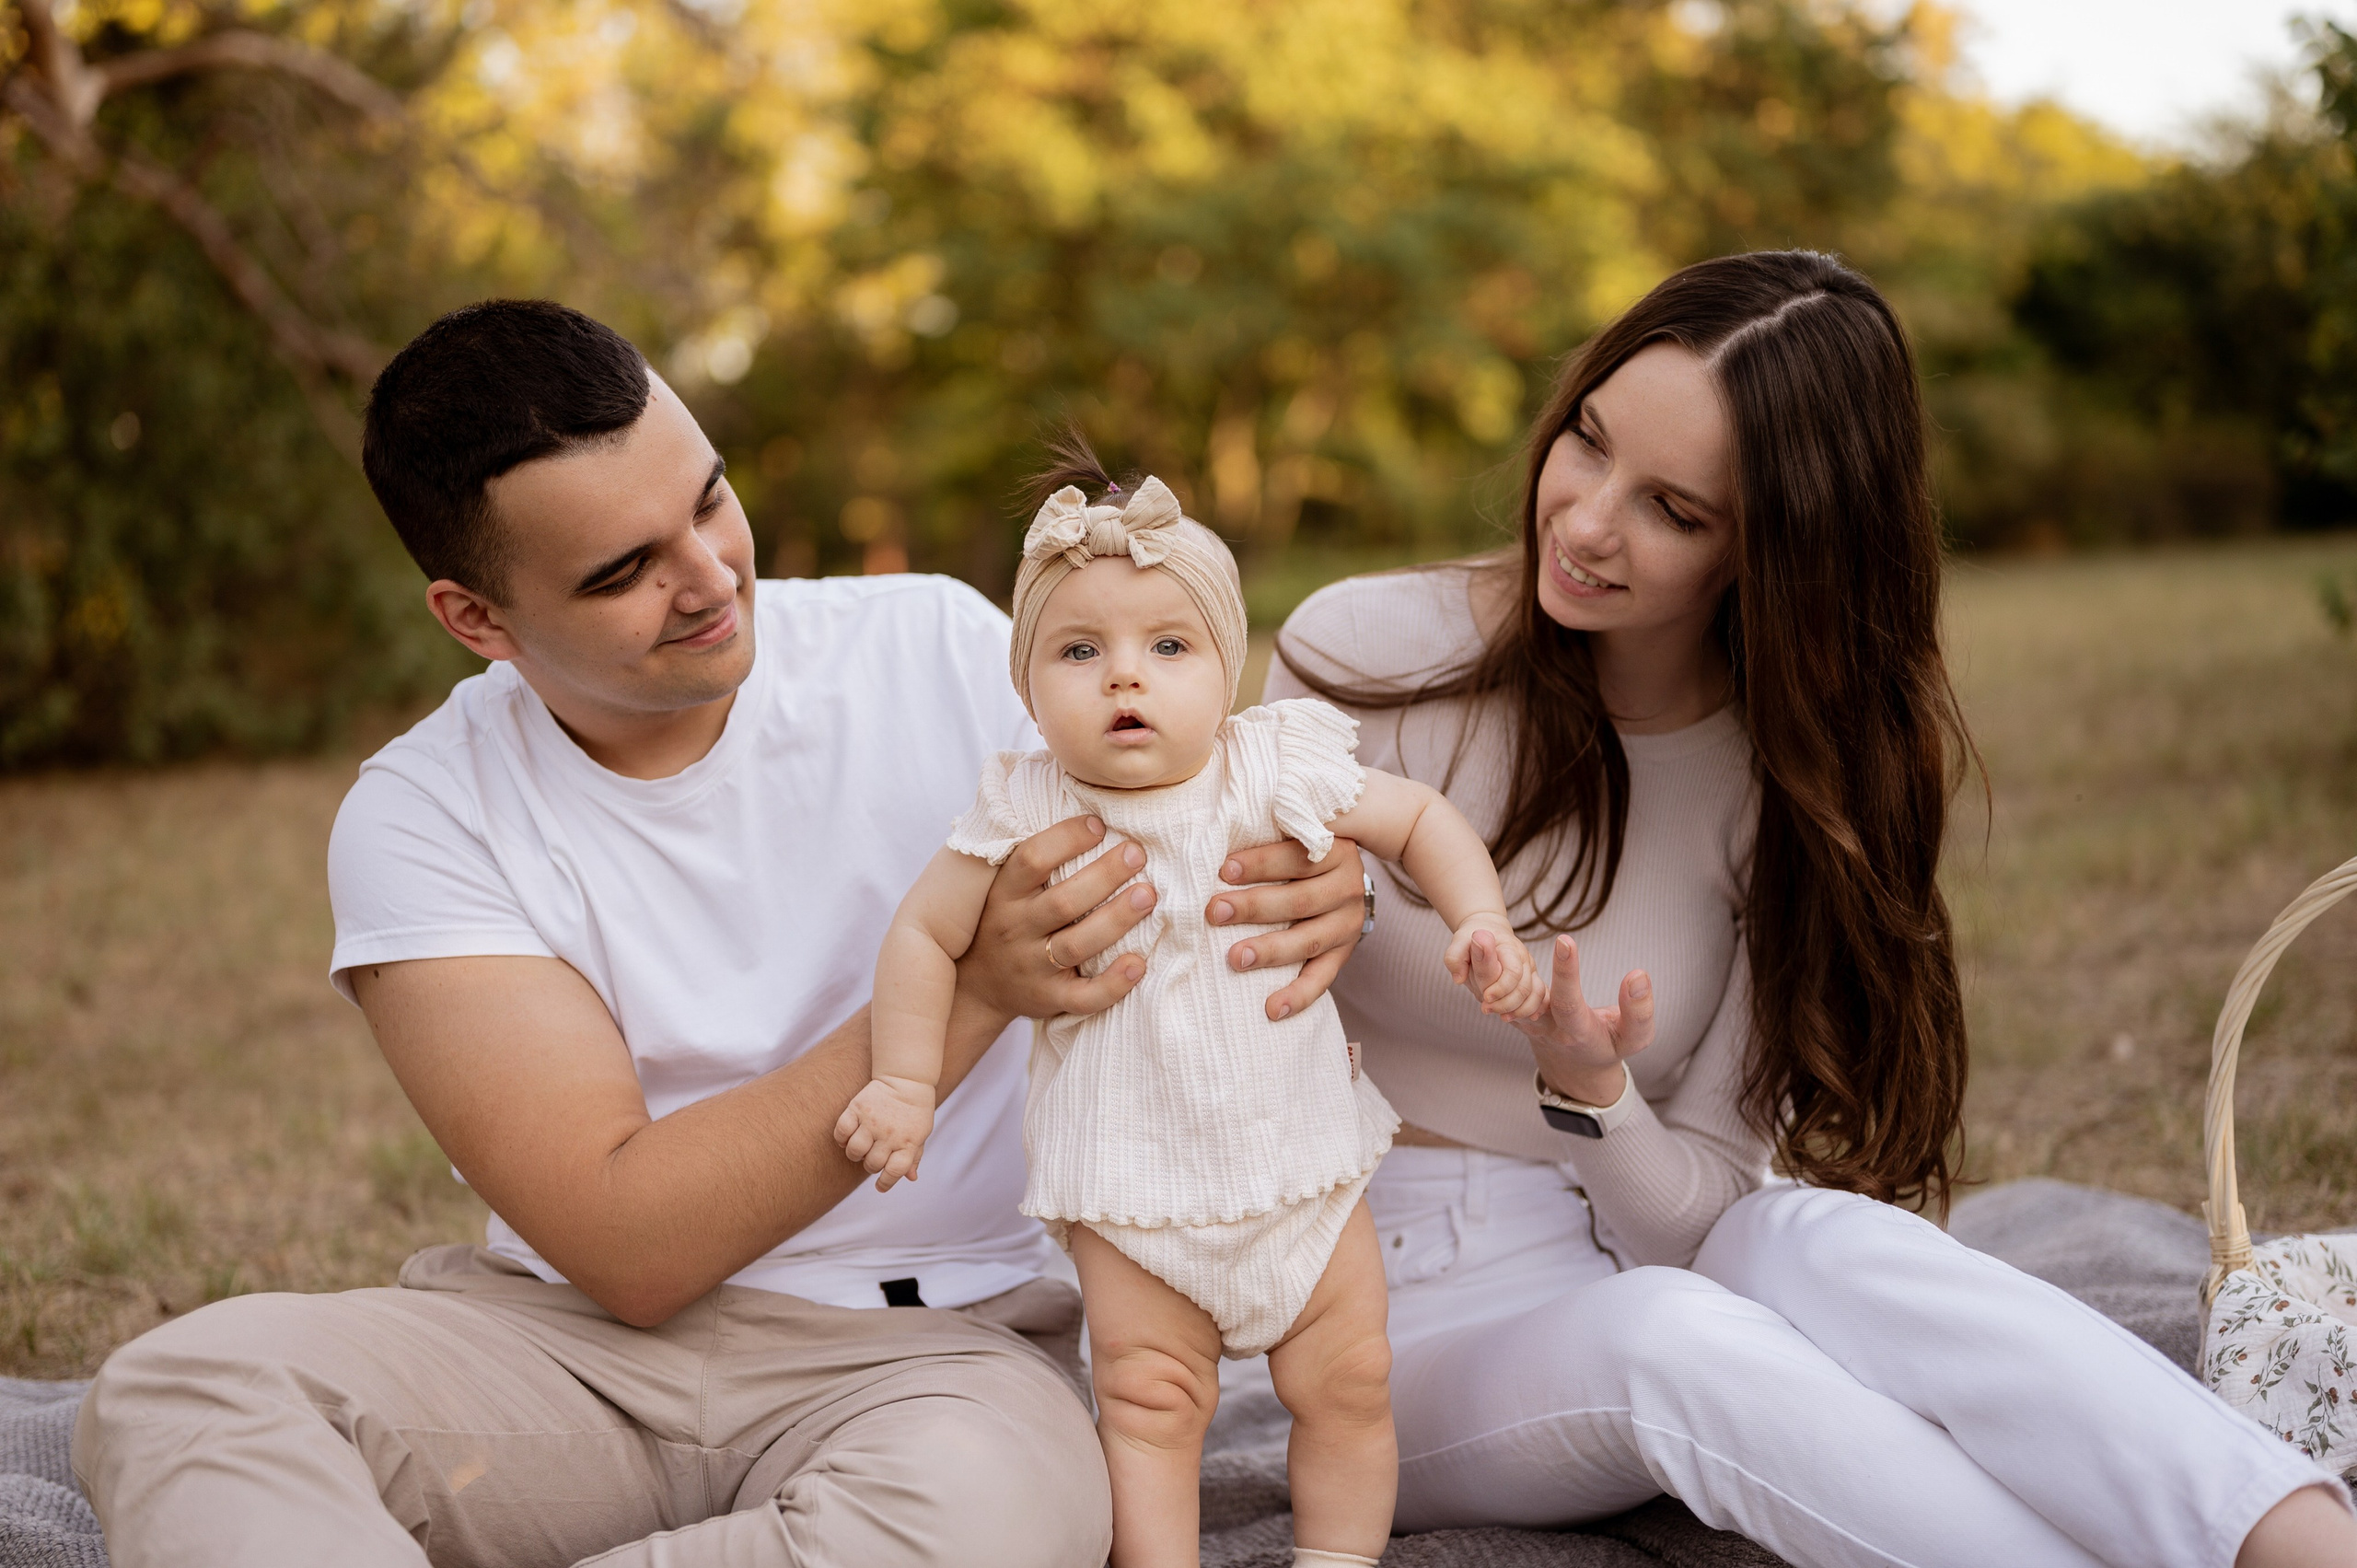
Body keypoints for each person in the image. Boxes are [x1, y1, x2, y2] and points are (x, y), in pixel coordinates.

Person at [67, 299, 1373, 1568]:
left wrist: (1310, 883)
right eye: (622, 571)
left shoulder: (931, 645)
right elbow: (627, 1244)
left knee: (1002, 1516)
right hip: (568, 1356)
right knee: (182, 1388)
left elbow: (1200, 823)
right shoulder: (422, 812)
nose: (707, 578)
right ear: (478, 618)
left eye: (706, 499)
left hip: (935, 1364)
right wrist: (975, 987)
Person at [1264, 249, 2357, 1568]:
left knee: (1816, 1229)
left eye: (1672, 507)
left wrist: (1591, 1087)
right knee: (1675, 1345)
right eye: (1589, 442)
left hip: (1620, 1257)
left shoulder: (1776, 780)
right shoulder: (1364, 652)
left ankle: (2294, 1539)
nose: (1587, 520)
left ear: (1777, 547)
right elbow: (1180, 1015)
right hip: (1360, 1326)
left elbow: (1693, 1214)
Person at [840, 453, 1543, 1568]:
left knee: (1351, 1376)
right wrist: (903, 1081)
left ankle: (1336, 1560)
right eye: (1081, 651)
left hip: (1299, 1161)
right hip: (1131, 1190)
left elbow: (1417, 822)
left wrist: (1481, 919)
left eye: (1168, 647)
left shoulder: (1266, 765)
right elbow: (922, 933)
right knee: (1148, 1402)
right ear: (1029, 689)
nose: (1127, 678)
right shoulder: (1025, 803)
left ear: (1227, 671)